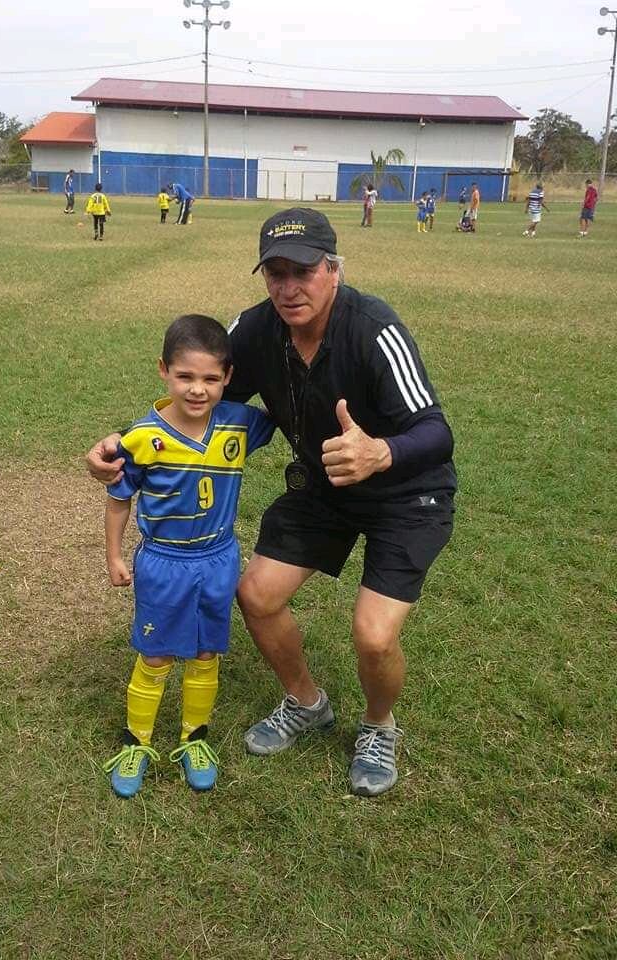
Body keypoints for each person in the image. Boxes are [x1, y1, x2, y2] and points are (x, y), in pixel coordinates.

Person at [88, 208, 456, 798]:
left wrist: (379, 453)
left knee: (373, 635)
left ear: (333, 270)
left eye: (303, 271)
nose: (288, 288)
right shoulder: (257, 331)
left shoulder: (374, 329)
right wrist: (122, 444)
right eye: (275, 273)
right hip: (325, 487)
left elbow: (437, 431)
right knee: (256, 594)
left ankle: (378, 725)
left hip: (407, 492)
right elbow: (196, 396)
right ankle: (306, 702)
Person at [101, 314, 274, 798]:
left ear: (228, 377)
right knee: (155, 654)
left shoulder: (239, 423)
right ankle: (136, 742)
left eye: (211, 378)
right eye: (185, 376)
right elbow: (118, 500)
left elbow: (287, 410)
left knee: (205, 651)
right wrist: (114, 556)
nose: (198, 389)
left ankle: (194, 737)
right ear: (164, 371)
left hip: (219, 559)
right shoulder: (141, 438)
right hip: (163, 562)